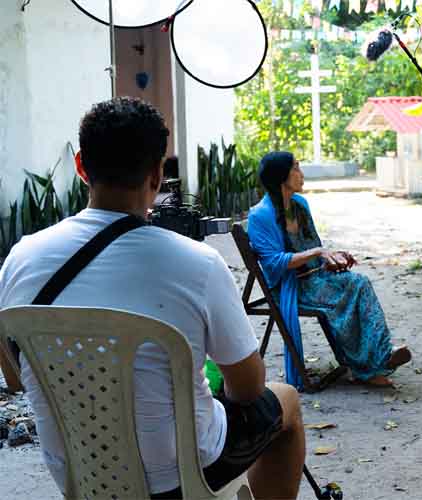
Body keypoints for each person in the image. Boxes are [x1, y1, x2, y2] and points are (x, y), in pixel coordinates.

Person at [0, 98, 305, 500]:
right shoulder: (198, 263)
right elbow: (247, 389)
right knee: (287, 401)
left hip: (79, 472)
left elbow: (16, 376)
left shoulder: (20, 259)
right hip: (181, 478)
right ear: (158, 175)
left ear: (81, 166)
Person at [247, 152, 411, 388]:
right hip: (290, 287)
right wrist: (318, 253)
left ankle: (376, 359)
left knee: (358, 282)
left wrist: (333, 258)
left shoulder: (300, 205)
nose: (301, 174)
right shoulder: (260, 215)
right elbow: (274, 263)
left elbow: (313, 249)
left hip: (315, 277)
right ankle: (372, 364)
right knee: (352, 289)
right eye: (296, 168)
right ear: (282, 177)